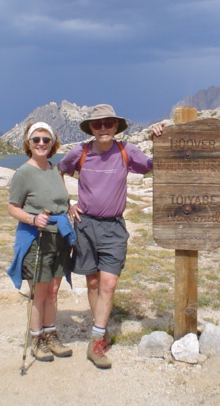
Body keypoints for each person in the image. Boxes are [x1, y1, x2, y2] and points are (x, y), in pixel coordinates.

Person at [58, 104, 163, 369]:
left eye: (108, 123)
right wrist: (67, 202)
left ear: (116, 126)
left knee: (109, 284)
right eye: (97, 124)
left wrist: (159, 140)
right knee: (93, 284)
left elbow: (150, 166)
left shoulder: (126, 151)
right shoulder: (79, 153)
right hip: (85, 225)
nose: (103, 128)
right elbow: (58, 171)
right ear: (91, 129)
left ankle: (95, 342)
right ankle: (100, 331)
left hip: (114, 227)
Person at [7, 121, 76, 362]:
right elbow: (12, 207)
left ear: (52, 143)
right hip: (36, 239)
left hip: (59, 238)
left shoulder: (55, 170)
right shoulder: (23, 173)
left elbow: (62, 201)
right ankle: (36, 339)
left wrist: (72, 207)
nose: (41, 144)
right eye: (36, 139)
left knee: (54, 290)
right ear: (28, 142)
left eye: (46, 140)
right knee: (39, 291)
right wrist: (32, 218)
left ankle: (51, 334)